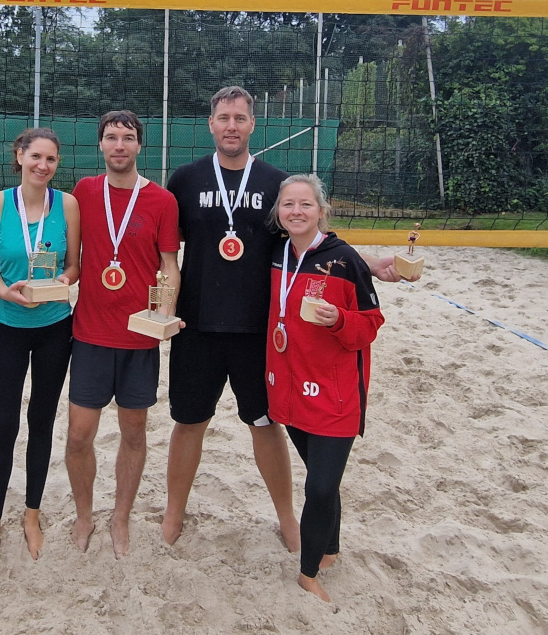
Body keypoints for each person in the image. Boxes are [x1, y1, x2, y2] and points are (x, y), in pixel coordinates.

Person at [162, 86, 405, 549]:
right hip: (197, 326)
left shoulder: (274, 181)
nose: (231, 125)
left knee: (264, 423)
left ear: (253, 125)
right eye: (223, 118)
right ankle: (175, 512)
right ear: (210, 125)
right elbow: (165, 250)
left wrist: (369, 263)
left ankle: (287, 517)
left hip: (260, 330)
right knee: (188, 422)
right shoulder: (186, 180)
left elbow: (312, 234)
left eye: (240, 118)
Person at [65, 110, 181, 557]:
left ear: (139, 145)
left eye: (127, 138)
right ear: (100, 145)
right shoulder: (83, 193)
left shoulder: (161, 201)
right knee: (79, 435)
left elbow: (169, 265)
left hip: (138, 338)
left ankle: (120, 517)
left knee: (134, 432)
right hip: (91, 333)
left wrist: (165, 313)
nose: (119, 145)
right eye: (111, 137)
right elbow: (69, 258)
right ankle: (83, 514)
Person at [265, 174, 384, 602]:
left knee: (317, 487)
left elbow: (370, 325)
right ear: (278, 212)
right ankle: (331, 546)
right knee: (323, 481)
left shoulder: (345, 260)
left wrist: (337, 320)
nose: (296, 212)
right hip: (291, 391)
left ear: (322, 210)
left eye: (305, 205)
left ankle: (308, 572)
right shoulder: (276, 252)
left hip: (335, 395)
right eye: (288, 205)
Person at [0, 127, 81, 562]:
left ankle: (32, 514)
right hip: (7, 324)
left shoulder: (68, 204)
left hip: (56, 326)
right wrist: (7, 293)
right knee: (4, 426)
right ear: (19, 156)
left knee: (42, 422)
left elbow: (75, 266)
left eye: (51, 159)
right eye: (35, 156)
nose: (43, 165)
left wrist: (62, 281)